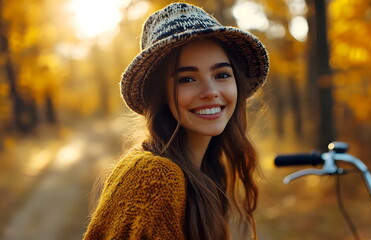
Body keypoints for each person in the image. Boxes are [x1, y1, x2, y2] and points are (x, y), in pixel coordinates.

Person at [83, 2, 269, 240]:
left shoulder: (205, 172)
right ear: (160, 95)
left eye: (222, 75)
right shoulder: (154, 176)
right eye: (187, 79)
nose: (210, 91)